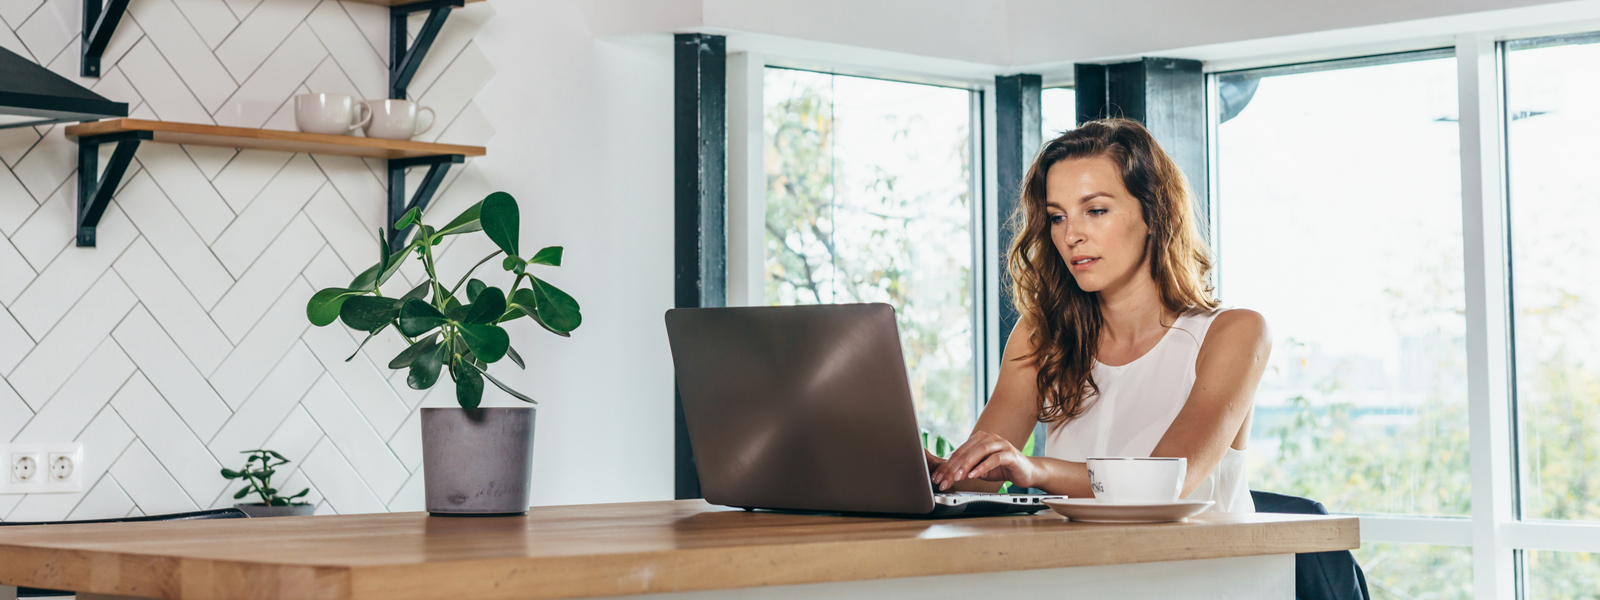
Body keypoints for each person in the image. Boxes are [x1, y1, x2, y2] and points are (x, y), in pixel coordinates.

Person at [927, 118, 1270, 513]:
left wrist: (1034, 470)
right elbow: (976, 480)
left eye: (1095, 210)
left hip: (1211, 570)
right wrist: (936, 472)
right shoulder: (1041, 335)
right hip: (1082, 568)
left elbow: (1164, 484)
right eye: (1058, 216)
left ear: (1154, 213)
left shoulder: (1236, 333)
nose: (1071, 234)